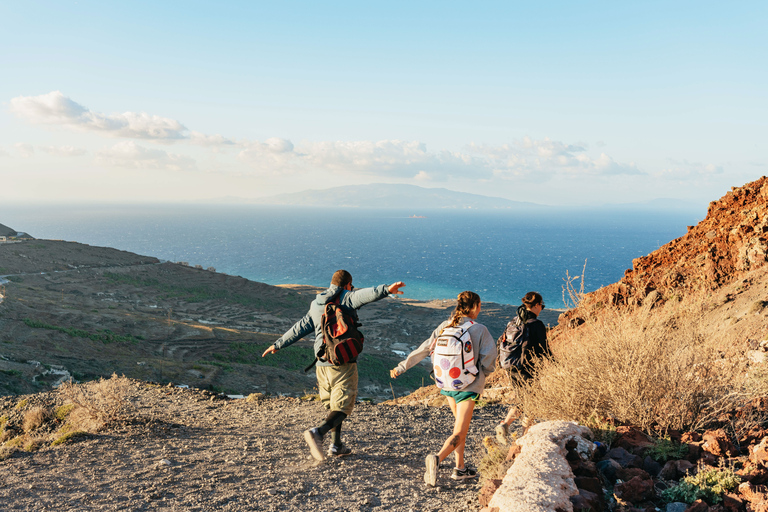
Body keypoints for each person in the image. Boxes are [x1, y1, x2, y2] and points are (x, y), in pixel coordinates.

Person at [262, 270, 405, 461]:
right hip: (342, 360)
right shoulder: (345, 297)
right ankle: (318, 433)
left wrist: (278, 344)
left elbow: (301, 326)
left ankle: (336, 446)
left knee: (334, 406)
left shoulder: (316, 304)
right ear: (347, 285)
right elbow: (364, 296)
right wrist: (386, 289)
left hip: (321, 363)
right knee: (343, 406)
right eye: (351, 287)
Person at [390, 291, 496, 486]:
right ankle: (437, 458)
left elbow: (423, 349)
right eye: (479, 305)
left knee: (459, 428)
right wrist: (482, 375)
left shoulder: (444, 326)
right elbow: (490, 359)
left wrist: (401, 367)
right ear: (473, 307)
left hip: (447, 384)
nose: (480, 309)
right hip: (469, 386)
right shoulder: (479, 329)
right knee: (460, 432)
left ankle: (460, 468)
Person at [495, 291, 550, 443]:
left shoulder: (514, 321)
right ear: (537, 305)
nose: (541, 309)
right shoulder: (536, 324)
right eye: (542, 306)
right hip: (528, 368)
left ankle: (505, 425)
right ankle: (524, 436)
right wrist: (554, 364)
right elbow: (544, 349)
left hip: (511, 366)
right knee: (532, 402)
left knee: (522, 399)